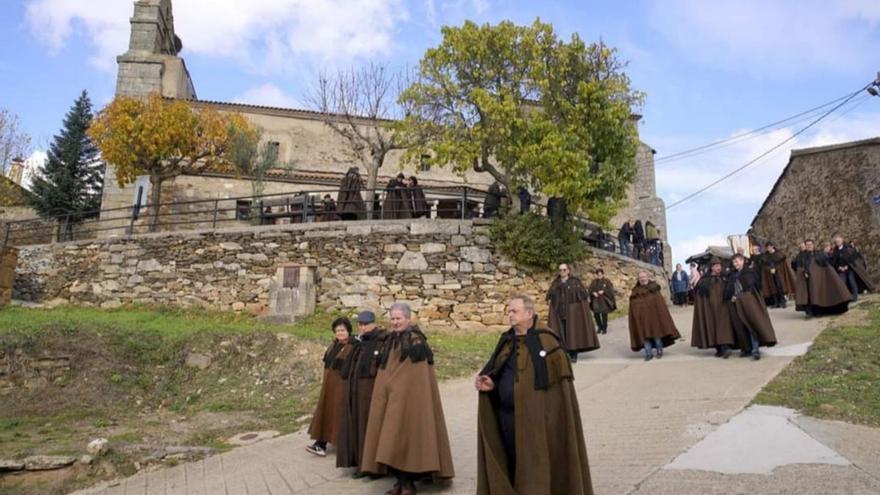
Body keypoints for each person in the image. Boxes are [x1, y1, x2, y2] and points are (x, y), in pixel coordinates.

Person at [475, 296, 594, 495]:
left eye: (514, 311)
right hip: (507, 419)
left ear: (529, 314)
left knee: (536, 468)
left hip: (538, 423)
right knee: (510, 462)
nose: (510, 315)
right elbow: (498, 370)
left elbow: (560, 395)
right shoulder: (507, 340)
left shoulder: (548, 342)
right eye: (509, 311)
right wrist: (490, 384)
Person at [360, 303, 454, 494]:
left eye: (399, 318)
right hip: (390, 398)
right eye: (392, 318)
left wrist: (397, 390)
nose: (395, 322)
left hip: (409, 402)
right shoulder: (390, 340)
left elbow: (415, 377)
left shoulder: (416, 341)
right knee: (390, 437)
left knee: (406, 437)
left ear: (408, 319)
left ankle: (408, 483)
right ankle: (400, 483)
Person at [336, 311, 385, 477]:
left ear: (373, 323)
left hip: (372, 392)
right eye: (360, 324)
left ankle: (375, 466)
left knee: (371, 427)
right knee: (358, 427)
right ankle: (362, 464)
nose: (363, 327)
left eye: (366, 324)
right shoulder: (359, 343)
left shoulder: (382, 341)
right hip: (356, 392)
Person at [307, 317, 356, 457]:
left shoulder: (353, 347)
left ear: (348, 331)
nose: (340, 333)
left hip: (342, 388)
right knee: (325, 412)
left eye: (342, 330)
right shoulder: (333, 345)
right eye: (337, 331)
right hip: (329, 387)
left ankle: (339, 445)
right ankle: (320, 443)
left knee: (338, 415)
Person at [726, 253, 778, 360]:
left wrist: (740, 297)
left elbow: (752, 288)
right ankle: (746, 349)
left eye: (737, 261)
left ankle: (755, 349)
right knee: (741, 327)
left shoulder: (749, 272)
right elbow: (729, 290)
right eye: (734, 262)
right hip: (736, 304)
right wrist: (732, 296)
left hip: (749, 303)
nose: (735, 264)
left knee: (752, 324)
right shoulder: (733, 275)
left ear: (742, 261)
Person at [546, 264, 601, 362]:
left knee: (573, 333)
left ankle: (573, 354)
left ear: (568, 271)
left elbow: (583, 297)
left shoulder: (575, 282)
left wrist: (579, 311)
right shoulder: (556, 283)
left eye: (564, 270)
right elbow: (551, 297)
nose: (562, 271)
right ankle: (564, 353)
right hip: (559, 313)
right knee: (562, 333)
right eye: (560, 270)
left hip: (572, 314)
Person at [628, 271, 681, 361]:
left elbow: (659, 304)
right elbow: (633, 304)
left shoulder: (654, 288)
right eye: (640, 277)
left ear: (647, 277)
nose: (642, 279)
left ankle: (659, 351)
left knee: (656, 335)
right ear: (638, 279)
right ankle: (648, 354)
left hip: (654, 318)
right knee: (645, 336)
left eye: (644, 276)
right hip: (642, 319)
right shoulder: (636, 291)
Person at [794, 239, 852, 317]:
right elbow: (797, 265)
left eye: (810, 244)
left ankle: (821, 311)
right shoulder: (802, 256)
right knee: (811, 296)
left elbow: (827, 263)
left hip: (820, 279)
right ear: (805, 246)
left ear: (813, 245)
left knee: (820, 295)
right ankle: (812, 312)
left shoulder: (819, 254)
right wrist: (804, 272)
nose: (809, 246)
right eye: (807, 245)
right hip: (808, 280)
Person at [691, 258, 736, 358]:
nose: (718, 268)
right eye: (716, 266)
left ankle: (725, 348)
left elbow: (730, 288)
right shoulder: (704, 281)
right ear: (711, 267)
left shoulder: (725, 277)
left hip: (724, 306)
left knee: (724, 327)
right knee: (712, 327)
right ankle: (719, 349)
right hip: (711, 309)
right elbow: (700, 296)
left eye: (719, 265)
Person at [831, 234, 874, 300]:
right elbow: (834, 262)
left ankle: (855, 296)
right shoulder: (835, 251)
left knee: (852, 281)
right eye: (836, 242)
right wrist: (839, 267)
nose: (838, 243)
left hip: (850, 269)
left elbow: (853, 260)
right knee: (842, 283)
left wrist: (847, 266)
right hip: (841, 270)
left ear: (842, 240)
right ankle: (845, 297)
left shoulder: (848, 248)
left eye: (839, 241)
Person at [756, 242, 796, 309]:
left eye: (770, 247)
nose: (769, 248)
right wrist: (770, 270)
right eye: (768, 247)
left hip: (779, 274)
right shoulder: (765, 256)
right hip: (770, 275)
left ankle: (783, 301)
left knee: (780, 287)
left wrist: (776, 269)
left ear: (772, 246)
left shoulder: (778, 254)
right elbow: (764, 266)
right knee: (773, 288)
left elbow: (781, 264)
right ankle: (776, 302)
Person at [588, 268, 616, 334]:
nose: (599, 276)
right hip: (596, 301)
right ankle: (599, 327)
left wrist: (603, 291)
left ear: (603, 274)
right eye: (598, 275)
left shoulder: (607, 281)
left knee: (604, 314)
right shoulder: (594, 282)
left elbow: (611, 290)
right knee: (596, 314)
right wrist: (593, 293)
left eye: (600, 274)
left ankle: (604, 328)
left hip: (604, 301)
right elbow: (590, 289)